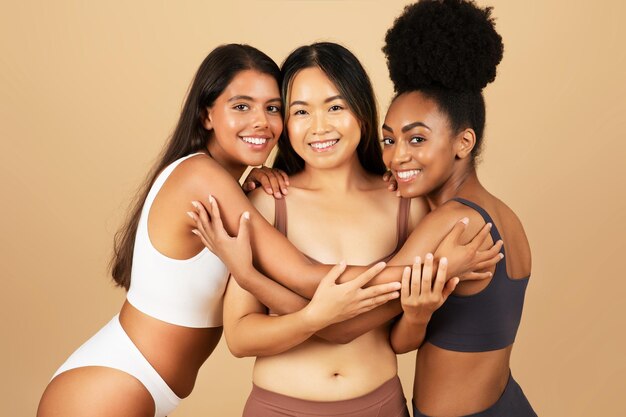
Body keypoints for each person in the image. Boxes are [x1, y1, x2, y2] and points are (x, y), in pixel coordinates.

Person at [36, 43, 399, 417]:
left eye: (272, 108)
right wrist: (434, 267)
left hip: (138, 383)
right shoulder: (199, 176)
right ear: (206, 115)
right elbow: (306, 276)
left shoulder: (227, 185)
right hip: (111, 385)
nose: (261, 121)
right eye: (241, 106)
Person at [189, 43, 506, 416]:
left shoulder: (406, 203)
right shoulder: (268, 203)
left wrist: (418, 315)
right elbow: (241, 337)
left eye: (335, 107)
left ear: (362, 112)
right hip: (279, 408)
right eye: (300, 112)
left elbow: (399, 340)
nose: (319, 127)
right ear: (285, 124)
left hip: (380, 405)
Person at [382, 1, 537, 415]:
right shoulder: (504, 215)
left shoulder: (454, 221)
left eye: (416, 140)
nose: (397, 156)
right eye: (389, 140)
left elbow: (354, 300)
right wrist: (416, 314)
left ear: (463, 143)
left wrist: (253, 268)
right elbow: (403, 338)